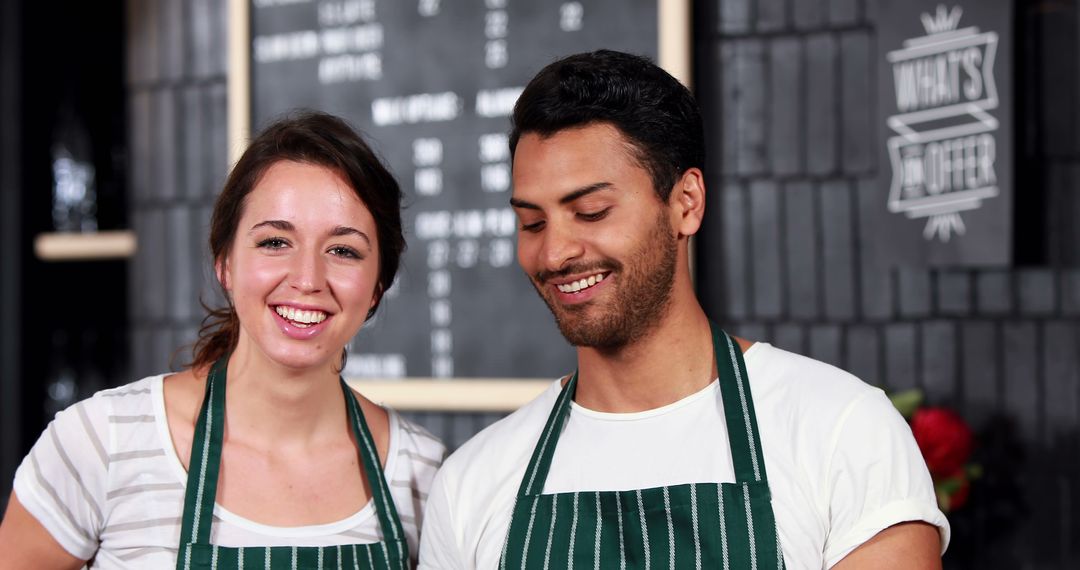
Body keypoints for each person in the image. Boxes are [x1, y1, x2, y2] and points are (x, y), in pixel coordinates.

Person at [419, 50, 949, 569]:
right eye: (532, 223)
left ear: (686, 203)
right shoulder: (473, 482)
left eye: (591, 212)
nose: (554, 253)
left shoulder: (842, 431)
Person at [0, 111, 445, 569]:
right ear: (225, 263)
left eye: (343, 250)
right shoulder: (102, 442)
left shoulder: (426, 477)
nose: (308, 279)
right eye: (275, 242)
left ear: (376, 287)